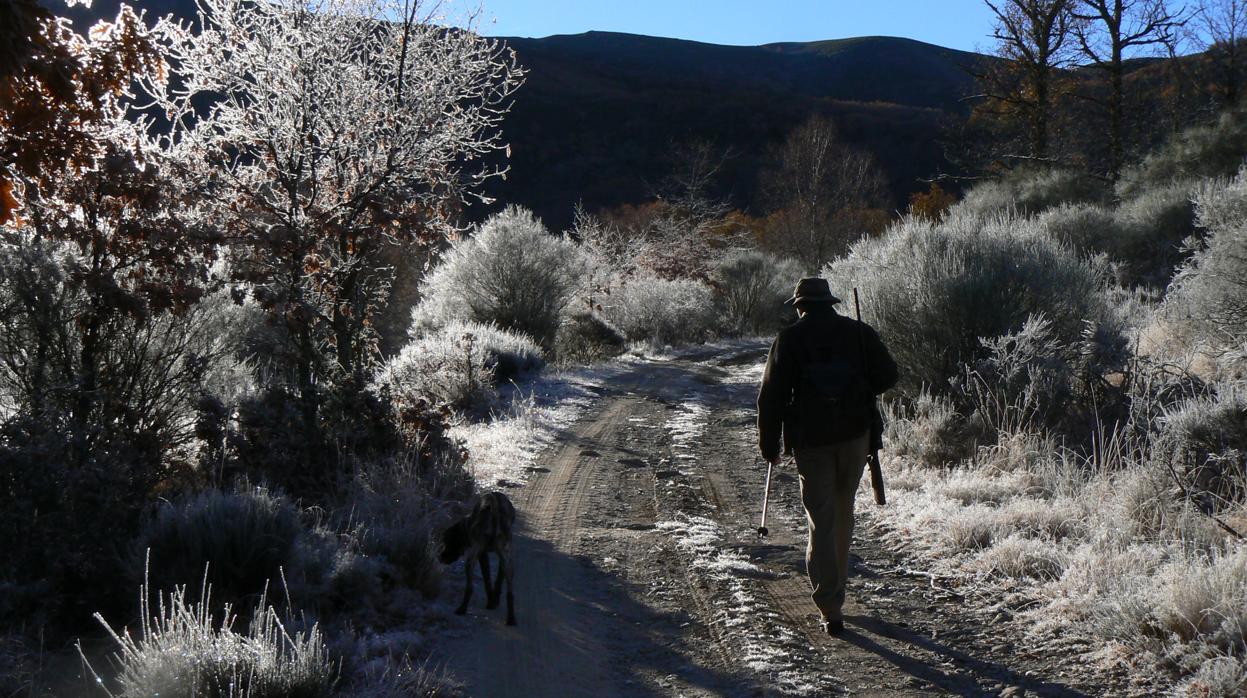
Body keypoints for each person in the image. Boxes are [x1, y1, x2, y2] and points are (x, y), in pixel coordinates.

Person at [757, 277, 898, 636]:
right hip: (855, 436)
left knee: (821, 518)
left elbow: (771, 396)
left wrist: (769, 444)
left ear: (800, 306)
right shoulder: (858, 332)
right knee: (843, 512)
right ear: (830, 303)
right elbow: (887, 377)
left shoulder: (789, 339)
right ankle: (836, 595)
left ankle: (829, 606)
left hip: (811, 440)